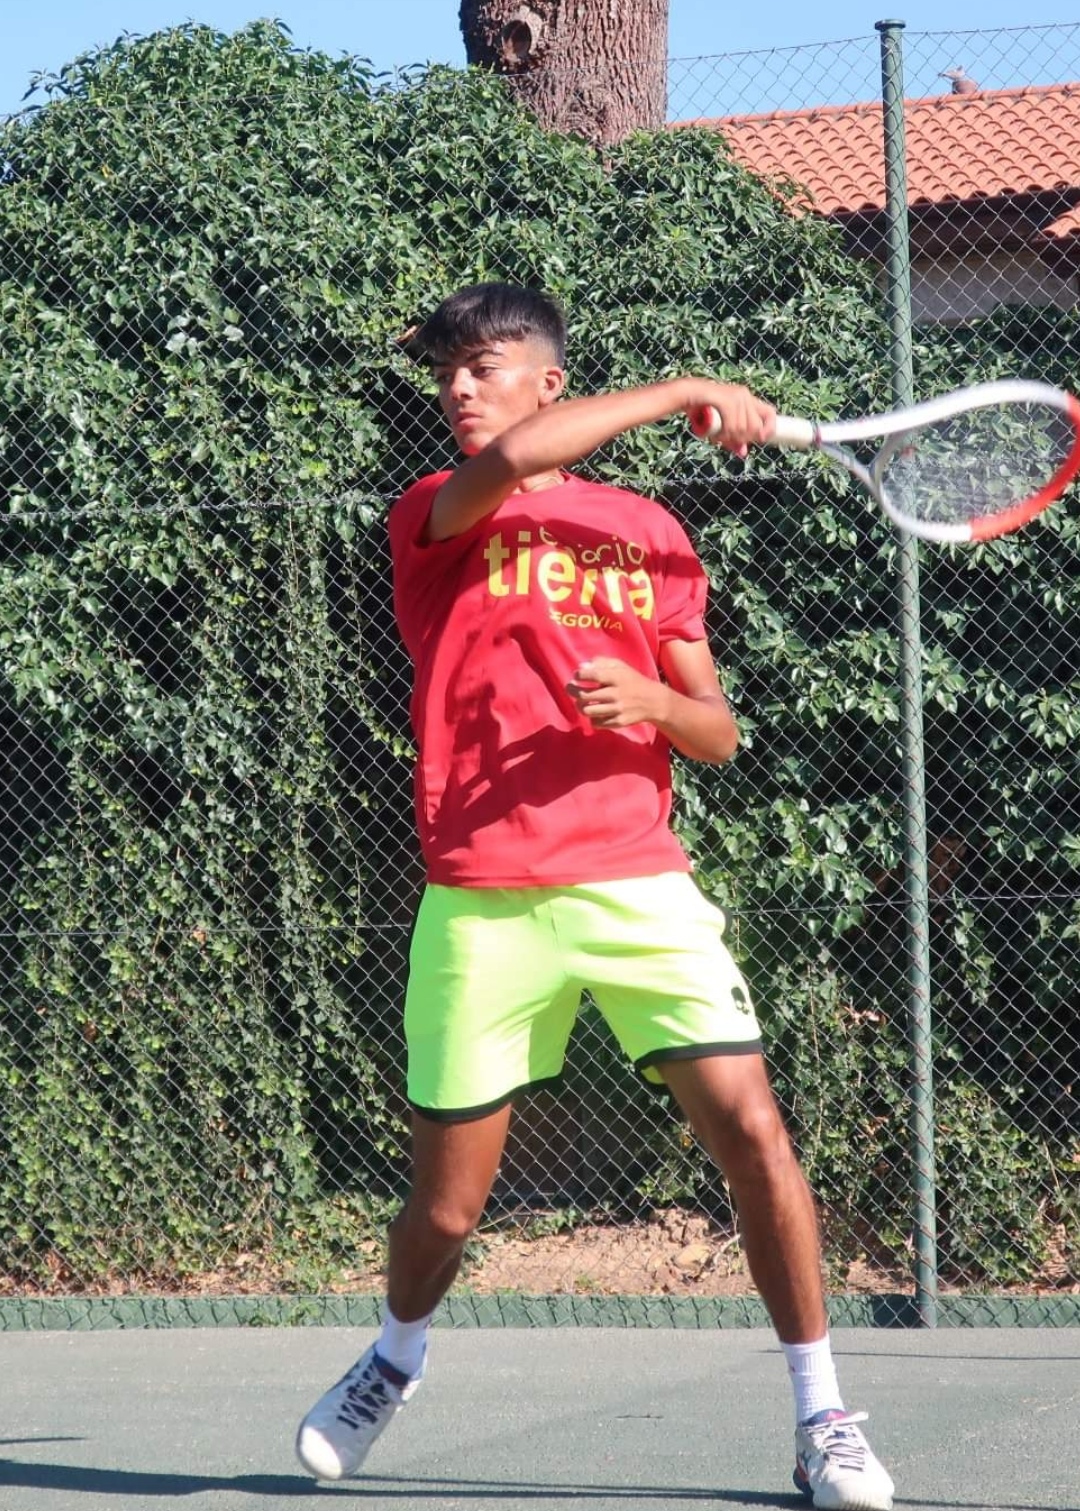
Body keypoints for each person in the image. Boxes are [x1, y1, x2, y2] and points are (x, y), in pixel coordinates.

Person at [295, 282, 895, 1511]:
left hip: (639, 885)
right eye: (448, 371)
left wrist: (658, 706)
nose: (460, 388)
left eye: (486, 365)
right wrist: (682, 390)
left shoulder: (650, 530)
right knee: (448, 1206)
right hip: (481, 897)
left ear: (548, 377)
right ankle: (395, 1358)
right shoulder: (436, 513)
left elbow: (717, 731)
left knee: (756, 1137)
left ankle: (821, 1412)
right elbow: (515, 462)